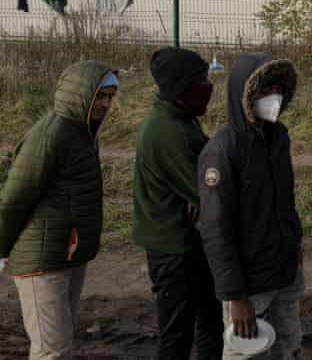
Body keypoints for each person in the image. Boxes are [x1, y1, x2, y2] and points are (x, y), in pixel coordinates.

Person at [0, 60, 118, 360]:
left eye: (109, 96)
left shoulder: (81, 132)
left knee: (60, 346)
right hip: (42, 261)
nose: (105, 103)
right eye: (99, 95)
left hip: (67, 253)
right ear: (80, 94)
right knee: (52, 350)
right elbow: (15, 198)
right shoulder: (52, 135)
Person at [197, 53, 303, 360]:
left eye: (278, 90)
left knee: (289, 347)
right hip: (249, 287)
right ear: (244, 94)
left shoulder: (278, 137)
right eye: (264, 91)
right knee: (246, 353)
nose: (274, 99)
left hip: (284, 273)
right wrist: (235, 296)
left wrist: (294, 243)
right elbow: (216, 230)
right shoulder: (221, 151)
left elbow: (285, 201)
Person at [134, 47, 223, 359]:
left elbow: (207, 168)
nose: (207, 85)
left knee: (210, 320)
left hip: (187, 242)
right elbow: (208, 191)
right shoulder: (168, 131)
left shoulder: (179, 118)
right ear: (180, 86)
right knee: (177, 335)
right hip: (172, 250)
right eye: (201, 79)